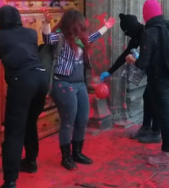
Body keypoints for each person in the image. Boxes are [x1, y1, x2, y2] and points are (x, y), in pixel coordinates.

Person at [0, 5, 48, 188]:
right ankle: (30, 161)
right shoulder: (30, 33)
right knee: (30, 122)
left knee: (14, 132)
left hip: (21, 82)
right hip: (41, 79)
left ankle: (9, 185)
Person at [42, 10, 115, 170]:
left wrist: (106, 27)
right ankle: (66, 157)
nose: (84, 25)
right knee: (68, 122)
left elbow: (92, 38)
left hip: (80, 83)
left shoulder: (80, 39)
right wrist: (46, 23)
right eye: (81, 23)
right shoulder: (60, 36)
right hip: (63, 83)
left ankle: (77, 152)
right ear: (74, 24)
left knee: (82, 120)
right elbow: (47, 38)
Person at [126, 0, 169, 166]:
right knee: (167, 113)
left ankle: (166, 155)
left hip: (159, 79)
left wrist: (131, 59)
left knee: (163, 115)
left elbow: (143, 63)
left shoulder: (149, 32)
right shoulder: (168, 26)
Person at [100, 14, 160, 143]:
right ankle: (146, 128)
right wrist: (109, 71)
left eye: (127, 32)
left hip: (160, 73)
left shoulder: (147, 34)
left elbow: (144, 62)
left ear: (131, 28)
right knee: (148, 97)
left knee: (155, 101)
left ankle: (155, 132)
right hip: (153, 73)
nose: (127, 35)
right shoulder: (136, 37)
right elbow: (124, 55)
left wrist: (135, 60)